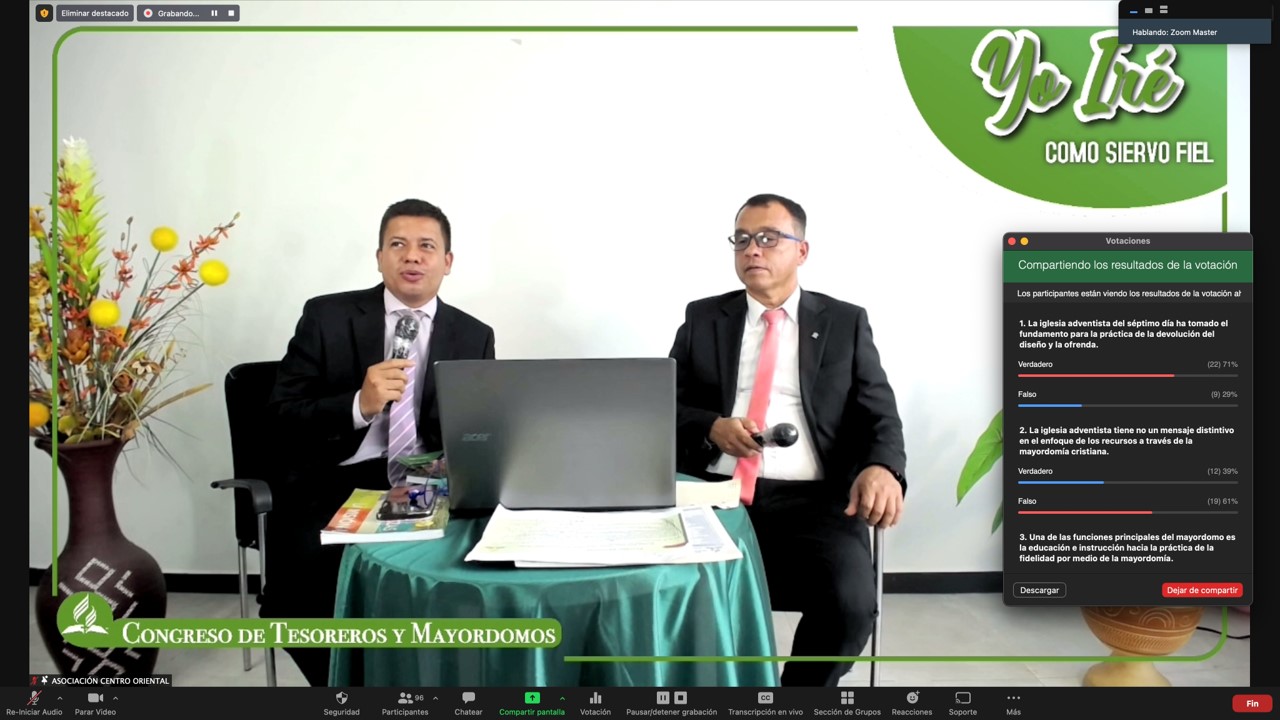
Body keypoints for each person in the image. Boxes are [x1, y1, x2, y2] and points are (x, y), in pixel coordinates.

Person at [667, 193, 907, 687]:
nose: (752, 249)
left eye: (768, 238)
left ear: (802, 251)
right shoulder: (703, 319)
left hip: (815, 502)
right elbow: (663, 405)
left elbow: (878, 413)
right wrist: (711, 425)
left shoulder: (845, 322)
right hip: (715, 494)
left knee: (850, 603)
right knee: (664, 591)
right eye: (742, 239)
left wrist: (882, 467)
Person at [265, 198, 495, 685]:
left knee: (482, 564)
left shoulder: (474, 335)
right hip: (338, 476)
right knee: (306, 581)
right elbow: (281, 415)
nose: (412, 256)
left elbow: (480, 426)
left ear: (447, 262)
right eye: (398, 245)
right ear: (379, 257)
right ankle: (344, 687)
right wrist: (358, 404)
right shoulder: (326, 316)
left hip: (432, 479)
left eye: (426, 246)